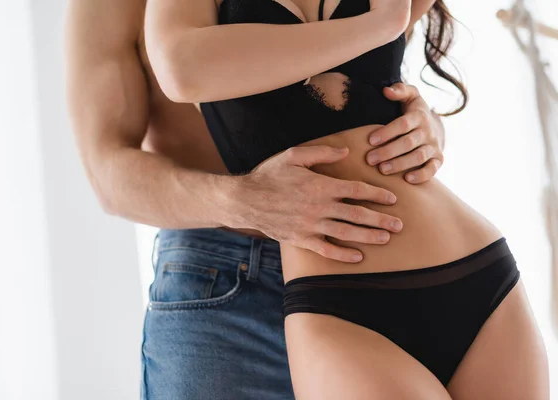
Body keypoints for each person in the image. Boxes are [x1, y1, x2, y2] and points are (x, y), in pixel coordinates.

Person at [143, 0, 550, 399]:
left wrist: (428, 126)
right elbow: (181, 68)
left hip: (477, 272)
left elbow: (379, 90)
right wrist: (381, 23)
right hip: (338, 303)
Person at [66, 0, 453, 398]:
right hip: (227, 280)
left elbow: (367, 85)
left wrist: (426, 130)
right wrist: (241, 200)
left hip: (378, 259)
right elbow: (107, 174)